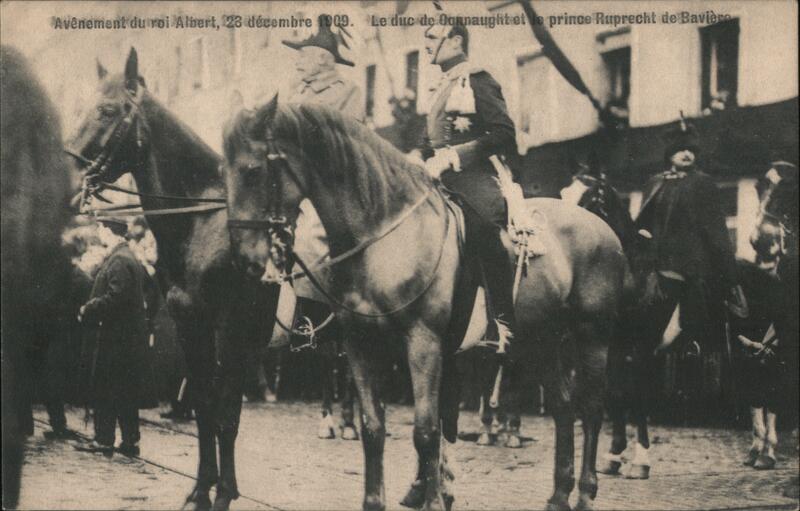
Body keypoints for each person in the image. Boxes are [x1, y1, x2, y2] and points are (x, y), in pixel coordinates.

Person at [420, 22, 518, 358]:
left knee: (481, 227)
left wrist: (455, 156)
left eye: (432, 38)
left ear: (456, 41)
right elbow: (430, 141)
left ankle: (500, 323)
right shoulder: (440, 86)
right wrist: (414, 157)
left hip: (474, 176)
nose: (426, 44)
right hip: (437, 176)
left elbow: (504, 132)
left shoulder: (478, 79)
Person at [75, 218, 156, 456]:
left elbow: (116, 296)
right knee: (125, 391)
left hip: (116, 338)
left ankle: (104, 439)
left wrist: (89, 308)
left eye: (102, 229)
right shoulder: (126, 256)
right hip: (127, 338)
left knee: (106, 388)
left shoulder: (119, 260)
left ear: (111, 232)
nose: (100, 234)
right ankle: (130, 441)